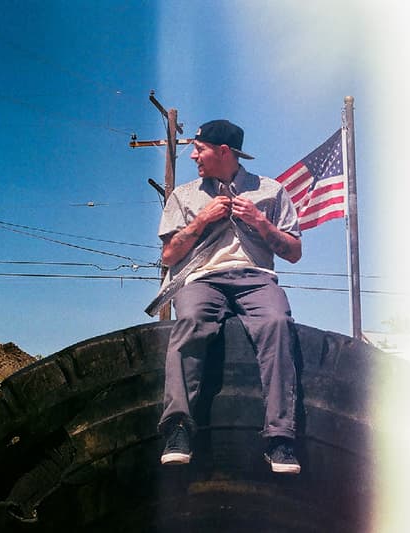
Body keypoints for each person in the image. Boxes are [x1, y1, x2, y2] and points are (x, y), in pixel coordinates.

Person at [148, 119, 303, 474]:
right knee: (189, 321)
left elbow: (294, 251)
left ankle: (280, 438)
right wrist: (200, 221)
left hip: (257, 278)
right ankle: (178, 428)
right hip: (203, 278)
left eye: (198, 149)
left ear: (223, 152)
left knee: (278, 322)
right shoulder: (183, 196)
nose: (192, 155)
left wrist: (261, 223)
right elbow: (169, 256)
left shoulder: (271, 190)